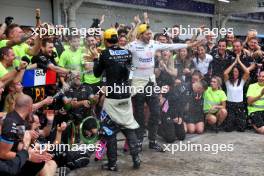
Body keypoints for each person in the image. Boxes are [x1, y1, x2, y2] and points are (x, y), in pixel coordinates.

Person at [127, 24, 203, 152]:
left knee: (156, 113)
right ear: (140, 35)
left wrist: (188, 45)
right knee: (139, 115)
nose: (150, 36)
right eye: (147, 34)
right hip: (137, 85)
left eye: (150, 33)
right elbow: (122, 56)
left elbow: (170, 46)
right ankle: (139, 141)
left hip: (151, 84)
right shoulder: (133, 45)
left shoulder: (153, 43)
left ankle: (152, 141)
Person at [93, 28, 140, 171]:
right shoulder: (127, 52)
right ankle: (136, 158)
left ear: (105, 41)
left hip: (112, 96)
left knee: (109, 130)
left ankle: (112, 164)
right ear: (117, 39)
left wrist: (96, 59)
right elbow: (131, 70)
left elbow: (96, 74)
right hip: (126, 94)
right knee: (128, 125)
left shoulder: (105, 54)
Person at [223, 54, 250, 132]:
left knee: (242, 129)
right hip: (230, 105)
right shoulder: (228, 82)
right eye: (234, 72)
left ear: (239, 73)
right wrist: (234, 63)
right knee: (228, 129)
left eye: (236, 72)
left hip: (240, 105)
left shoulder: (241, 81)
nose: (235, 73)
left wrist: (239, 61)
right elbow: (225, 73)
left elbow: (247, 72)